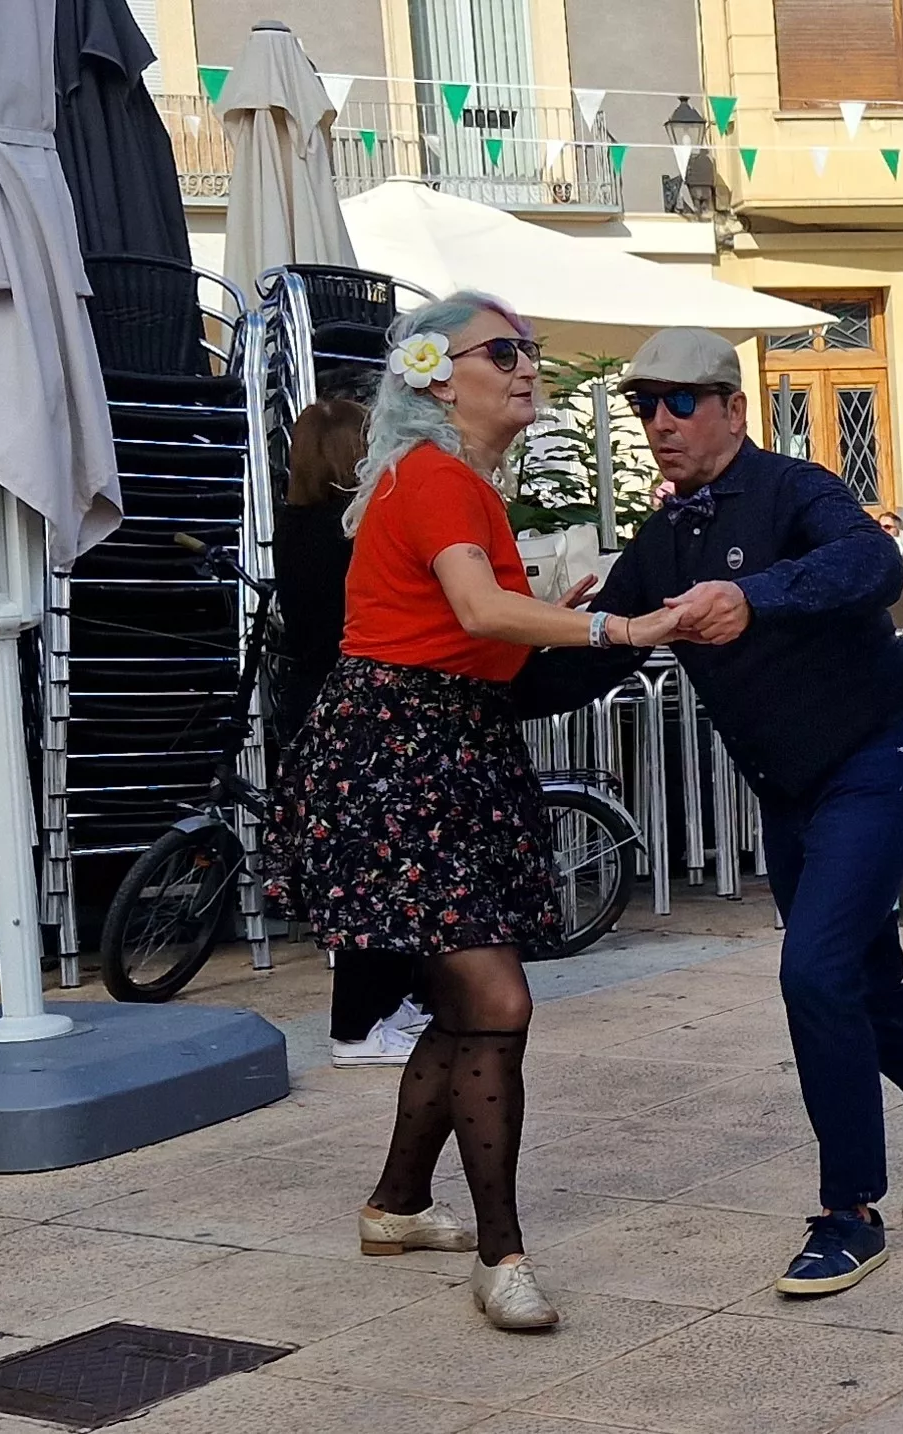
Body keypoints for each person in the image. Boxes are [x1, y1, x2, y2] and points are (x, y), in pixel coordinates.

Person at [522, 327, 903, 1302]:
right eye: (645, 404)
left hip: (879, 755)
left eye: (679, 400)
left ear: (732, 405)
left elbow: (867, 565)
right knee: (864, 988)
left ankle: (849, 1213)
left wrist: (752, 595)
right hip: (792, 785)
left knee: (815, 974)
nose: (658, 421)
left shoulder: (794, 487)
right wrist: (471, 675)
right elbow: (595, 658)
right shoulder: (666, 537)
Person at [264, 294, 685, 1332]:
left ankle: (396, 1206)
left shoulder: (452, 485)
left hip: (440, 750)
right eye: (505, 351)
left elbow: (483, 638)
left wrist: (559, 617)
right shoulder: (440, 476)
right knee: (495, 1003)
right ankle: (502, 1254)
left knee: (468, 1005)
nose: (528, 366)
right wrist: (620, 623)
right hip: (405, 756)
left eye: (531, 349)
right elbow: (481, 614)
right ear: (436, 374)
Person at [272, 390, 433, 1071]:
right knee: (382, 870)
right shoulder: (353, 530)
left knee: (361, 869)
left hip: (309, 706)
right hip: (361, 710)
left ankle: (390, 1003)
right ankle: (359, 1025)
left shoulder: (291, 525)